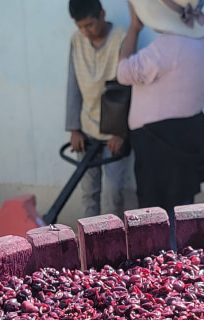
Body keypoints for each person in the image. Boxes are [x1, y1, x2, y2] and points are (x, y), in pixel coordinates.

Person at [117, 0, 204, 227]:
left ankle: (164, 261)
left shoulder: (167, 46)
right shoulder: (200, 43)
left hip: (160, 145)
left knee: (158, 220)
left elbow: (123, 72)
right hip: (187, 135)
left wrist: (134, 28)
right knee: (182, 212)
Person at [67, 0, 131, 218]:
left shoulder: (121, 38)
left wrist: (120, 132)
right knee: (88, 193)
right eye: (81, 27)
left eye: (90, 25)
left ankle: (112, 248)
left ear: (102, 14)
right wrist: (74, 128)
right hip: (86, 129)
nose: (86, 32)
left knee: (113, 194)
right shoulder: (77, 40)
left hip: (115, 132)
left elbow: (128, 89)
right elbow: (73, 83)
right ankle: (90, 247)